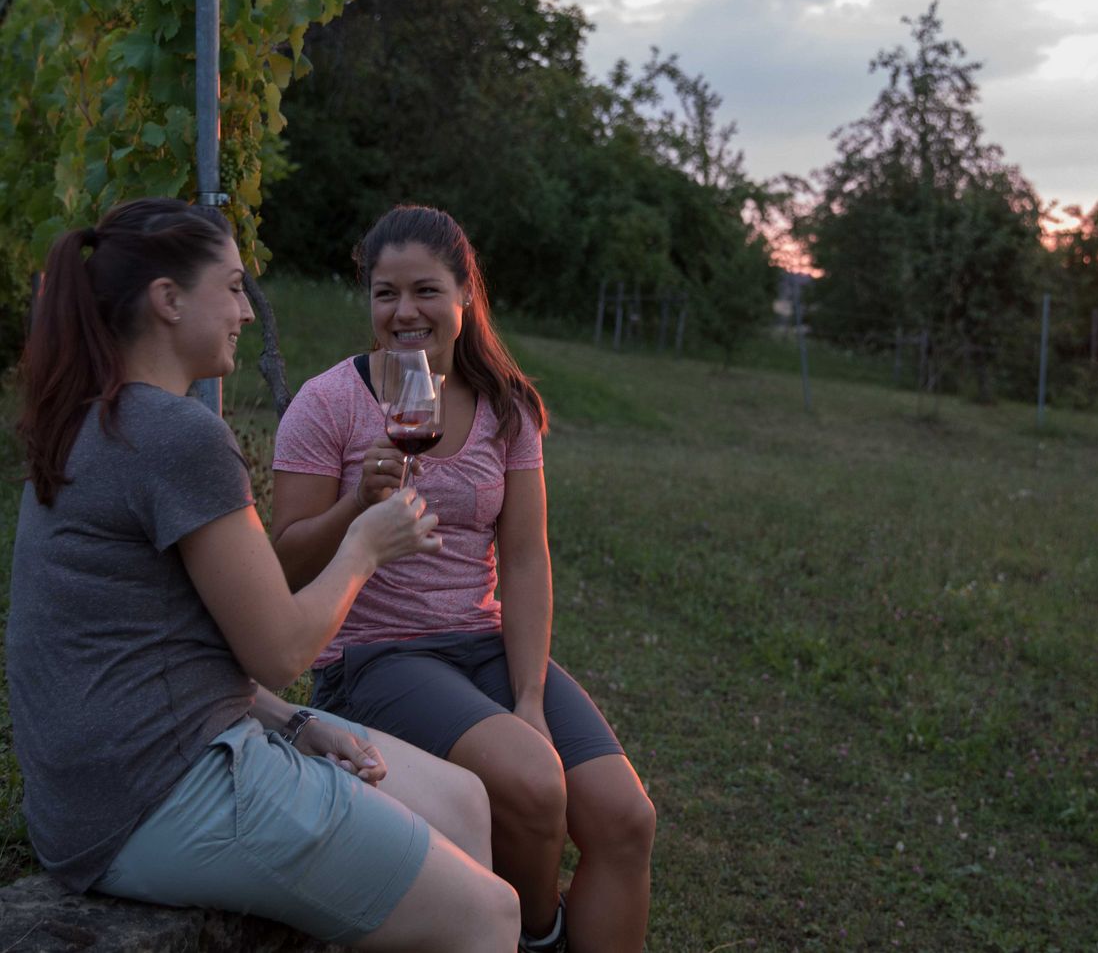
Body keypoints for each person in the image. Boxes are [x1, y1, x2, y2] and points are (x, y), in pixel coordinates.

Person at [5, 198, 522, 952]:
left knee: (467, 802)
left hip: (116, 780)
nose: (247, 311)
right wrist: (365, 547)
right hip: (158, 795)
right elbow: (281, 651)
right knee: (492, 915)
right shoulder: (179, 435)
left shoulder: (97, 415)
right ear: (169, 300)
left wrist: (298, 722)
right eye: (235, 285)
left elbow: (167, 641)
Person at [270, 204, 656, 953]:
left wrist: (531, 697)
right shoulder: (328, 403)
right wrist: (359, 503)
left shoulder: (506, 408)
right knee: (535, 785)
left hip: (480, 646)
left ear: (463, 297)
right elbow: (283, 562)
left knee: (624, 818)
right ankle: (536, 937)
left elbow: (524, 559)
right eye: (386, 293)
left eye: (425, 291)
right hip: (376, 659)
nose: (404, 311)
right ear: (369, 300)